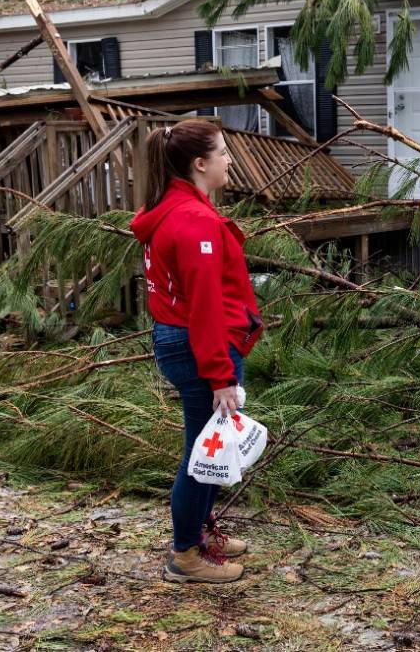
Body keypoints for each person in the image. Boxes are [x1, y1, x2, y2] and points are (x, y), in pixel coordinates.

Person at [130, 118, 263, 584]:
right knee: (201, 455)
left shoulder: (171, 208)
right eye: (223, 152)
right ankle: (186, 554)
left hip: (187, 342)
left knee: (209, 447)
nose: (230, 160)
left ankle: (201, 533)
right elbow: (203, 304)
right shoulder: (194, 221)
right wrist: (220, 374)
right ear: (200, 163)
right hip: (200, 347)